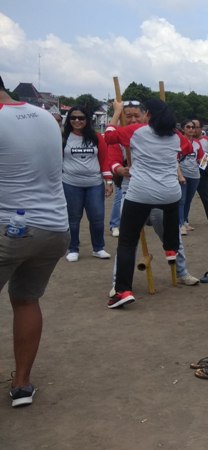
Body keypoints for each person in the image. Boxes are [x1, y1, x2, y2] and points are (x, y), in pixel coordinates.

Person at [0, 75, 70, 407]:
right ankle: (22, 385)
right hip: (54, 227)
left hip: (10, 227)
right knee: (26, 300)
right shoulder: (46, 117)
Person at [104, 99, 192, 308]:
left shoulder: (136, 131)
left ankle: (123, 290)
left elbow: (108, 136)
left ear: (148, 115)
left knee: (127, 242)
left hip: (141, 193)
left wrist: (116, 112)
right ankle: (170, 250)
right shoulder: (176, 135)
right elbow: (187, 149)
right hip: (170, 192)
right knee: (171, 215)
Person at [61, 105, 114, 262]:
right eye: (73, 117)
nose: (77, 120)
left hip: (94, 184)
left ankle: (98, 248)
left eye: (81, 118)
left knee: (97, 218)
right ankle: (73, 248)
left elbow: (104, 160)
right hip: (70, 184)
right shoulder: (63, 138)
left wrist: (108, 181)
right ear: (69, 120)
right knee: (73, 219)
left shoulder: (96, 137)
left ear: (87, 120)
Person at [108, 100, 143, 237]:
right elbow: (112, 159)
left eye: (137, 116)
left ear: (144, 116)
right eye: (128, 116)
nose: (133, 120)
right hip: (128, 182)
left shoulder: (151, 133)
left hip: (150, 182)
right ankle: (116, 224)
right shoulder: (118, 134)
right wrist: (119, 169)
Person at [178, 120, 201, 234]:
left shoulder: (197, 143)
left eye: (193, 127)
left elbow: (200, 157)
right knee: (181, 200)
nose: (191, 129)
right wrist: (179, 175)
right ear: (183, 129)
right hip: (183, 174)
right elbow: (175, 158)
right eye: (188, 127)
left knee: (188, 200)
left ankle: (185, 221)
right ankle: (180, 224)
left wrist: (205, 161)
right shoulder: (178, 141)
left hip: (195, 175)